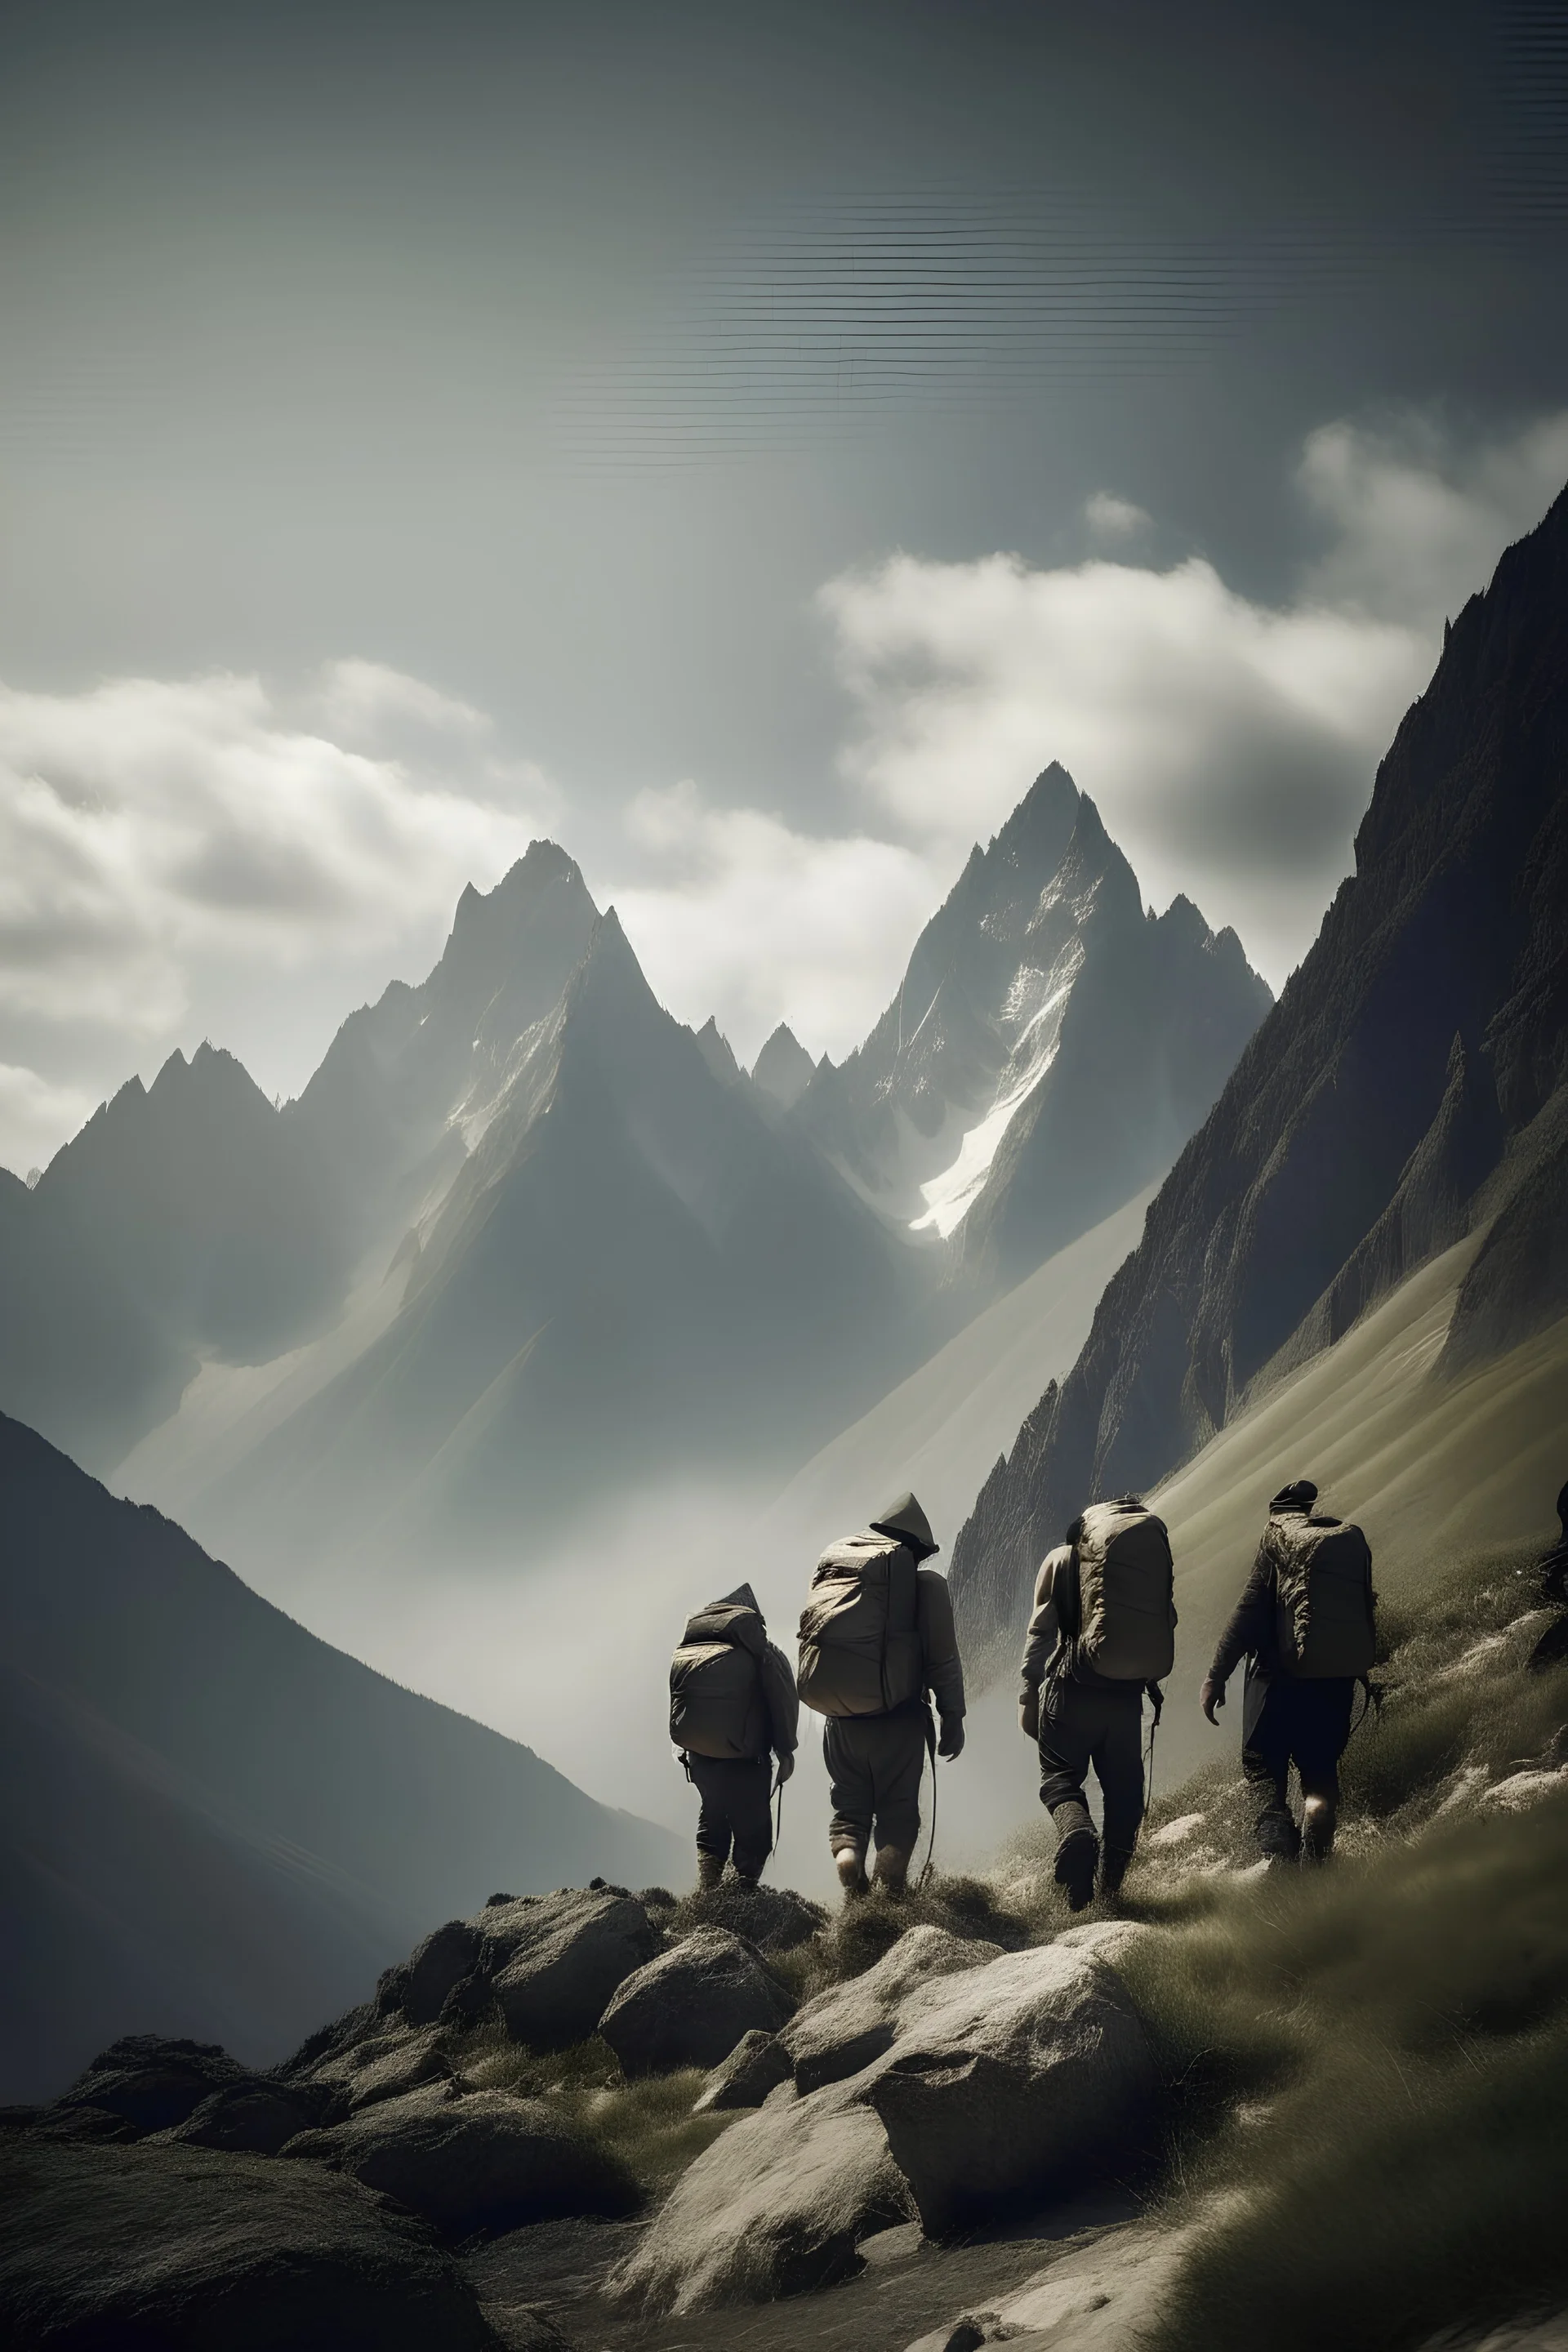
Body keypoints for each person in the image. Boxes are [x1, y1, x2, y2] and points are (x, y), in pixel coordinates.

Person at [798, 1492, 965, 1901]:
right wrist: (953, 1717)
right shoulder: (924, 1585)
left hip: (838, 1723)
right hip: (897, 1718)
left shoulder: (839, 1564)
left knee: (850, 1807)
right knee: (898, 1812)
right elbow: (943, 1657)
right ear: (916, 1547)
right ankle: (889, 1899)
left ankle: (848, 1856)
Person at [1200, 1478, 1375, 1864]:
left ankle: (1279, 1859)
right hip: (1335, 1682)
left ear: (1276, 1513)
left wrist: (1216, 1677)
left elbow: (1246, 1614)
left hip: (1278, 1686)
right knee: (1321, 1773)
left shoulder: (1277, 1542)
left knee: (1264, 1773)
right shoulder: (1342, 1542)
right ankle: (1317, 1857)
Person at [1019, 1496, 1174, 1909]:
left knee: (1060, 1777)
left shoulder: (1059, 1560)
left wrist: (1028, 1693)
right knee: (1124, 1794)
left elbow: (1041, 1632)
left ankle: (1077, 1835)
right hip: (1124, 1699)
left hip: (1071, 1692)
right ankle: (1109, 1894)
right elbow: (1165, 1620)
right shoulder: (1141, 1568)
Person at [669, 1581, 798, 1891]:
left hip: (699, 1757)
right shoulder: (764, 1653)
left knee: (713, 1816)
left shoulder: (691, 1651)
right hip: (746, 1758)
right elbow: (783, 1700)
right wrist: (785, 1750)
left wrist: (688, 1751)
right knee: (754, 1832)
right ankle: (742, 1896)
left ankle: (708, 1889)